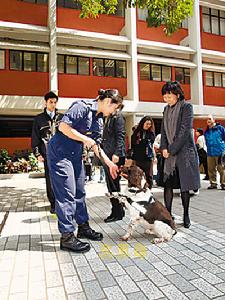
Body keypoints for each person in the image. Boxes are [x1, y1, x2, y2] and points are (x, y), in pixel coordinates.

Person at [47, 89, 123, 253]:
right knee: (67, 193)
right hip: (60, 154)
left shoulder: (99, 119)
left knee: (80, 192)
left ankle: (83, 227)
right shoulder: (82, 106)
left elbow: (96, 145)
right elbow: (63, 127)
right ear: (109, 102)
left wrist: (110, 164)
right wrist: (85, 139)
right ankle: (67, 236)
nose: (114, 112)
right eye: (115, 108)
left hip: (75, 156)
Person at [160, 81, 200, 228]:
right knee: (168, 186)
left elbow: (184, 131)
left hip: (183, 153)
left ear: (177, 95)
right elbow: (163, 131)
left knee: (185, 186)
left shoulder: (186, 107)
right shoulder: (165, 109)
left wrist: (171, 149)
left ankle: (186, 215)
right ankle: (168, 215)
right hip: (169, 154)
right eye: (165, 97)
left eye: (169, 96)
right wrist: (163, 147)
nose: (167, 99)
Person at [32, 91, 63, 214]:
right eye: (51, 102)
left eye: (55, 102)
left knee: (61, 179)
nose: (53, 104)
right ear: (45, 102)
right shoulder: (39, 119)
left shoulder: (61, 118)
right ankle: (53, 204)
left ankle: (61, 202)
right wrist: (37, 153)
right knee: (50, 180)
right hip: (47, 154)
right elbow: (35, 137)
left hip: (61, 155)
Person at [102, 108, 126, 223]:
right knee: (111, 185)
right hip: (107, 155)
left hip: (114, 156)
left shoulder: (118, 117)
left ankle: (118, 212)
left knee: (114, 185)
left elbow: (121, 136)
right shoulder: (106, 117)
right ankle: (117, 210)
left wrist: (117, 153)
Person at [131, 116, 155, 189]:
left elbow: (151, 141)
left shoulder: (151, 133)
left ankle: (148, 191)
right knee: (137, 176)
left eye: (150, 124)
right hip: (138, 158)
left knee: (149, 176)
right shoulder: (137, 132)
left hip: (148, 158)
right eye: (147, 124)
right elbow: (133, 144)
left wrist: (142, 141)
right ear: (143, 123)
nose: (148, 126)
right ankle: (138, 190)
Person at [204, 115, 225, 190]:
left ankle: (223, 184)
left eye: (210, 119)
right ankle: (213, 183)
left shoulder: (220, 128)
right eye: (207, 119)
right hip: (210, 152)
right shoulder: (206, 131)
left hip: (220, 152)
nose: (208, 120)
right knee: (211, 169)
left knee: (221, 169)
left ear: (214, 120)